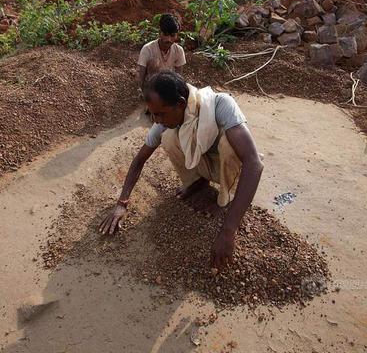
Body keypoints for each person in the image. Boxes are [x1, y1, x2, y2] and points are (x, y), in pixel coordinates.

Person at [99, 71, 264, 270]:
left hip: (230, 170)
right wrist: (122, 203)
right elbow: (139, 160)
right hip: (206, 165)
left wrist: (228, 231)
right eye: (152, 114)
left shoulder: (220, 105)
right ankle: (197, 182)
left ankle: (224, 199)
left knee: (230, 145)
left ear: (180, 103)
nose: (156, 119)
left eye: (160, 114)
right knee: (168, 137)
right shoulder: (166, 120)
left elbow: (254, 163)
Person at [137, 14, 186, 93]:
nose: (168, 39)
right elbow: (141, 75)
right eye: (165, 34)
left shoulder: (179, 51)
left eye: (172, 35)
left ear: (177, 35)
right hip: (151, 89)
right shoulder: (147, 49)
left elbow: (178, 77)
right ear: (160, 32)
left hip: (168, 88)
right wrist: (142, 90)